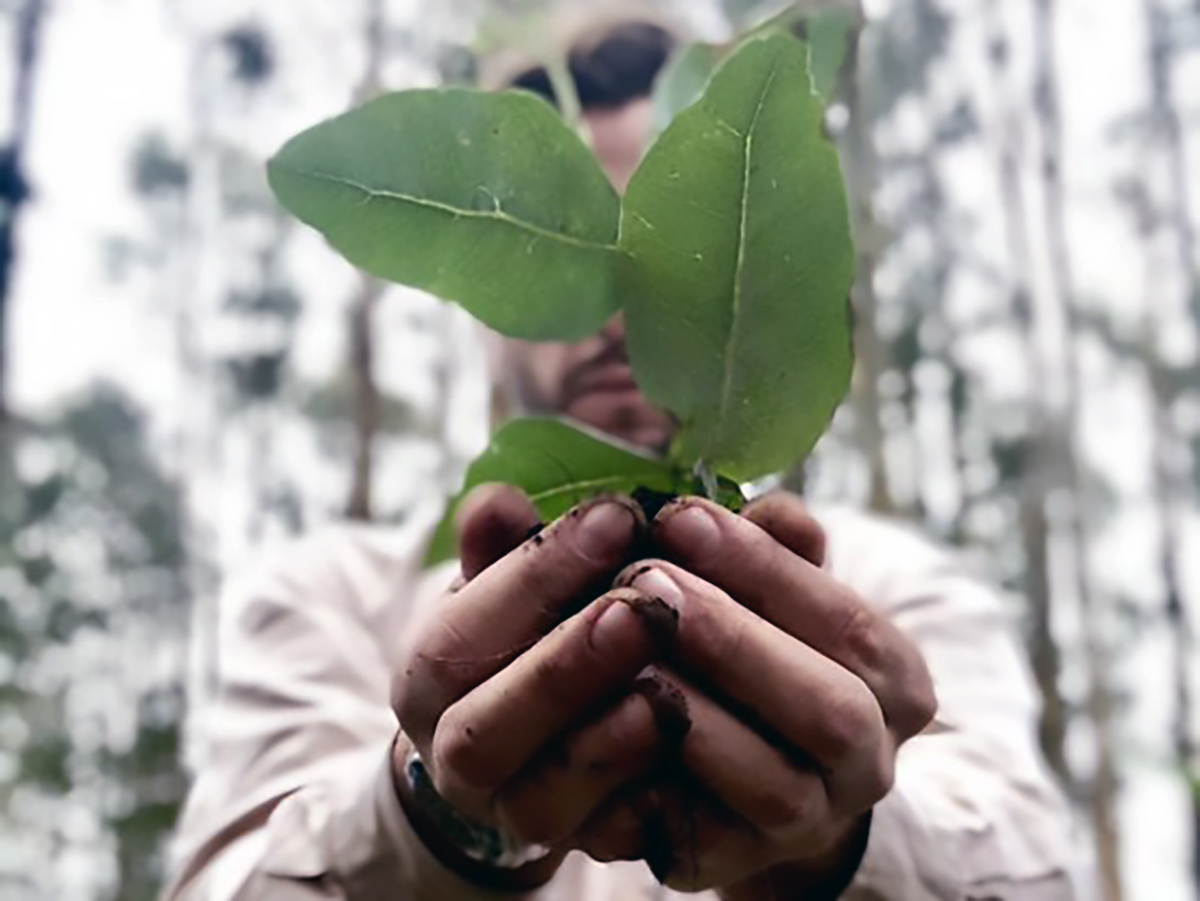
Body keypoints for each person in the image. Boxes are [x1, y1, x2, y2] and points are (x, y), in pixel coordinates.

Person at [164, 11, 1082, 901]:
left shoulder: (891, 591)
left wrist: (842, 844)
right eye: (581, 260)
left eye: (664, 253)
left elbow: (1043, 869)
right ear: (492, 316)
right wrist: (433, 823)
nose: (618, 313)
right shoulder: (339, 598)